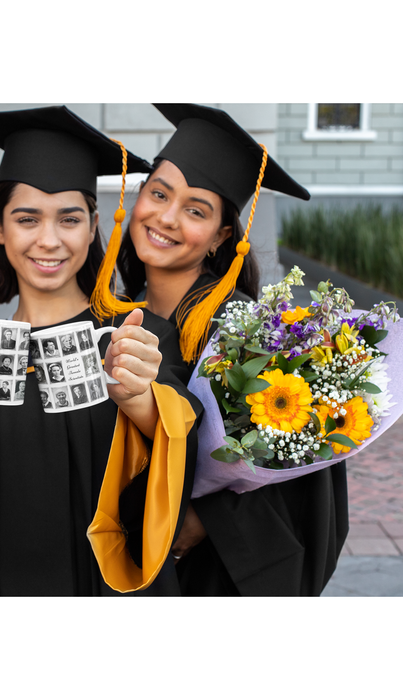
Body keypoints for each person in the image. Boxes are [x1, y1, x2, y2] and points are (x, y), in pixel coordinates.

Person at [0, 105, 201, 596]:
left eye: (69, 219)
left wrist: (139, 398)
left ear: (94, 224)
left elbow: (181, 439)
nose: (49, 240)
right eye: (27, 218)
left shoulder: (137, 336)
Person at [118, 103, 349, 596]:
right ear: (138, 196)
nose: (166, 217)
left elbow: (303, 482)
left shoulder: (250, 334)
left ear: (224, 235)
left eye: (195, 210)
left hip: (209, 578)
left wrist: (204, 514)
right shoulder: (121, 314)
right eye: (158, 193)